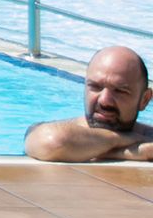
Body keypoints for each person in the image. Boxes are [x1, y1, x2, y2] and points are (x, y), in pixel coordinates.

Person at [24, 46, 152, 162]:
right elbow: (53, 143)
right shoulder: (47, 131)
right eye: (95, 87)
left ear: (144, 100)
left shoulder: (148, 136)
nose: (104, 101)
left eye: (119, 91)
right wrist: (126, 143)